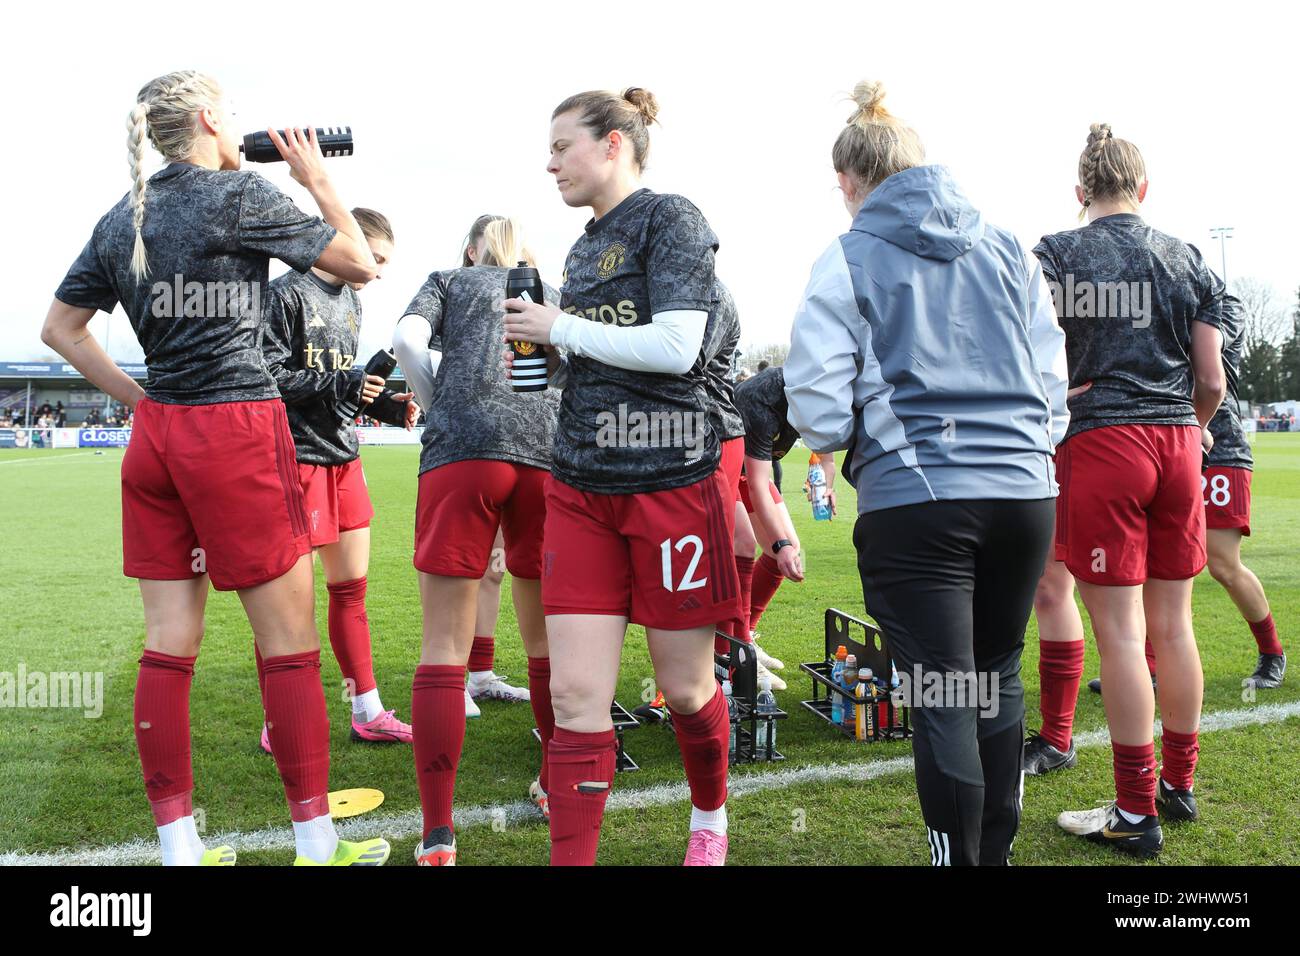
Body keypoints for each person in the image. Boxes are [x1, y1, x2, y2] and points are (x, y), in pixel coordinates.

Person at [42, 71, 391, 866]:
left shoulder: (120, 215)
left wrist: (141, 398)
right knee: (289, 646)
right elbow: (361, 264)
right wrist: (316, 179)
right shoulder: (239, 197)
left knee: (168, 645)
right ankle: (315, 843)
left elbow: (61, 329)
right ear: (206, 118)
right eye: (229, 115)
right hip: (235, 428)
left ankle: (180, 852)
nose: (238, 129)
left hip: (160, 433)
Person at [785, 81, 1068, 866]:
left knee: (944, 696)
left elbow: (817, 410)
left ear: (849, 181)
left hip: (921, 501)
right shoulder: (1010, 247)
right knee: (994, 678)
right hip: (1023, 492)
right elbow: (1051, 377)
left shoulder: (846, 253)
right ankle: (993, 857)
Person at [503, 87, 740, 866]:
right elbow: (601, 355)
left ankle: (709, 819)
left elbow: (676, 347)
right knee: (575, 700)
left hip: (669, 484)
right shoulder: (580, 245)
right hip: (578, 489)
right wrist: (544, 355)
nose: (549, 163)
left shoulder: (671, 218)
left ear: (612, 144)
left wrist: (558, 327)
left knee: (684, 692)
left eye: (562, 145)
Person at [1038, 124, 1225, 856]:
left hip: (1105, 438)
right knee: (1174, 627)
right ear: (1143, 189)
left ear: (1081, 190)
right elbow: (1210, 380)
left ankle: (1135, 810)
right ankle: (1177, 784)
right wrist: (1196, 426)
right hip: (1179, 439)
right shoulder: (1187, 256)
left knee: (1120, 634)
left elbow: (1027, 346)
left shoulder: (1057, 251)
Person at [393, 217, 561, 866]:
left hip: (462, 451)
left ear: (471, 248)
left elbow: (406, 341)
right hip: (543, 454)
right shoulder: (546, 287)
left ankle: (438, 832)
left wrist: (442, 407)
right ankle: (552, 784)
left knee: (442, 646)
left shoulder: (449, 279)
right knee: (546, 641)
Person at [258, 206, 417, 754]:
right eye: (374, 258)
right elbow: (268, 378)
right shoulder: (282, 294)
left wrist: (388, 407)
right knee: (289, 605)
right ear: (342, 242)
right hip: (294, 461)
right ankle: (280, 720)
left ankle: (366, 710)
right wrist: (344, 381)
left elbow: (341, 391)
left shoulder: (352, 300)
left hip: (343, 457)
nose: (377, 272)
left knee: (351, 592)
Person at [1201, 294, 1285, 687]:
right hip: (1168, 443)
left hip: (1220, 446)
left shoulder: (1223, 304)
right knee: (1155, 563)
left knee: (1222, 563)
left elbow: (1209, 362)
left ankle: (1272, 654)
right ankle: (1151, 666)